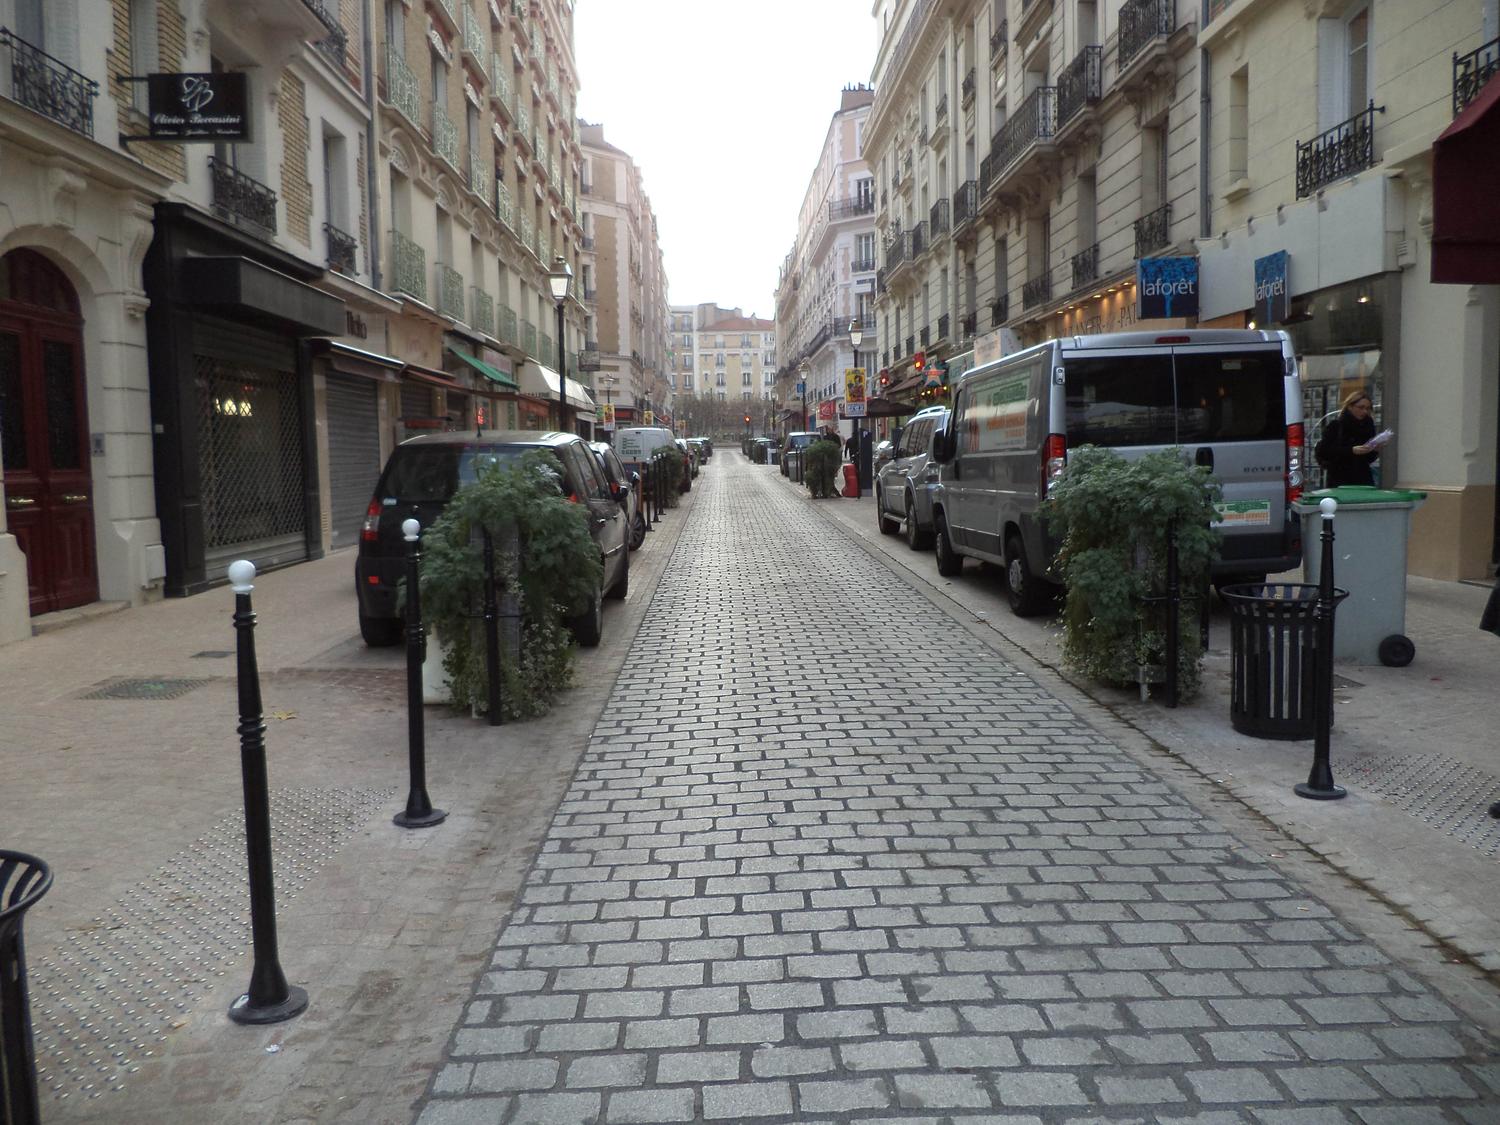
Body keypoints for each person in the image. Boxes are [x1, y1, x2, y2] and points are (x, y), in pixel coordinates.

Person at [1314, 389, 1381, 487]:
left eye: (1368, 408)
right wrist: (1351, 450)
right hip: (1339, 479)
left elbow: (1368, 459)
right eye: (1361, 407)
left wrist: (1374, 449)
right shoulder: (1336, 425)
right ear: (1350, 407)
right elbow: (1324, 451)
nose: (1364, 411)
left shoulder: (1368, 426)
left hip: (1363, 478)